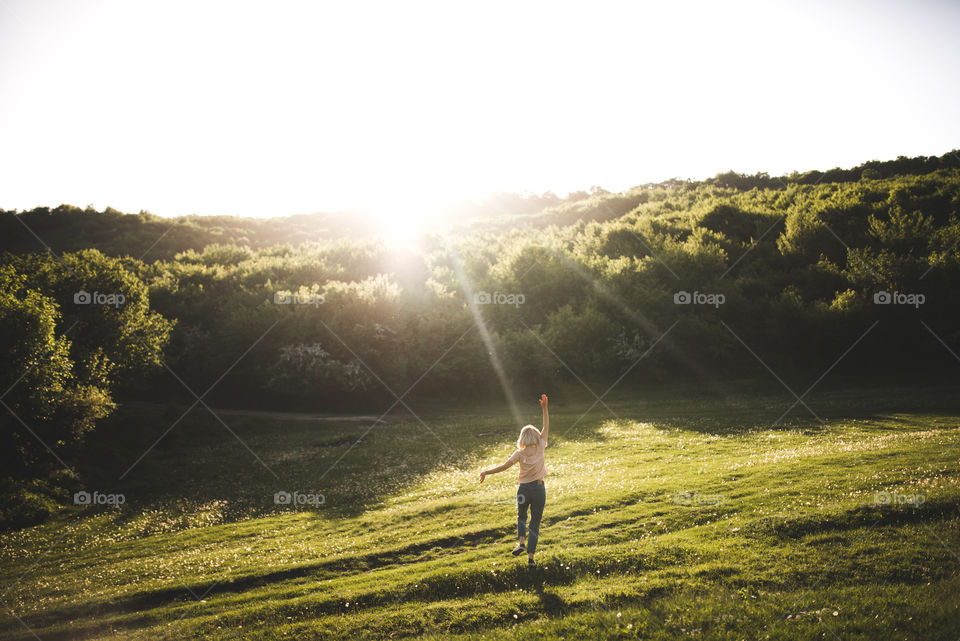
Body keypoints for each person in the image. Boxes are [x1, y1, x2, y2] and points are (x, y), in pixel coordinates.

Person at [479, 394, 549, 568]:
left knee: (521, 516)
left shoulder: (519, 453)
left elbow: (503, 467)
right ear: (536, 436)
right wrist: (545, 408)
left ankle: (521, 543)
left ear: (522, 438)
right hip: (539, 489)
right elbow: (546, 425)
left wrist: (486, 472)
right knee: (535, 524)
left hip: (524, 489)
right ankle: (531, 559)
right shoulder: (541, 446)